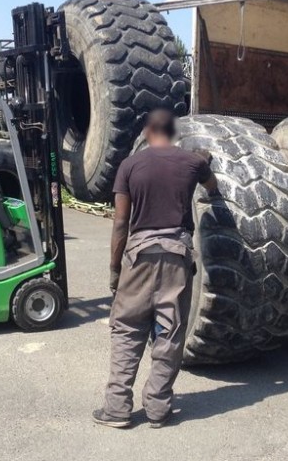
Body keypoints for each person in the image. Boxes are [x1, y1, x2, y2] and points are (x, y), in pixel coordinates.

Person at [93, 108, 219, 429]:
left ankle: (117, 408)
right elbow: (212, 186)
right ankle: (158, 409)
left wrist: (114, 270)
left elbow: (121, 222)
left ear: (149, 132)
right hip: (177, 257)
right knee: (169, 331)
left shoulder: (130, 165)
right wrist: (203, 166)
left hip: (139, 256)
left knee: (128, 328)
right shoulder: (192, 162)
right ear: (174, 132)